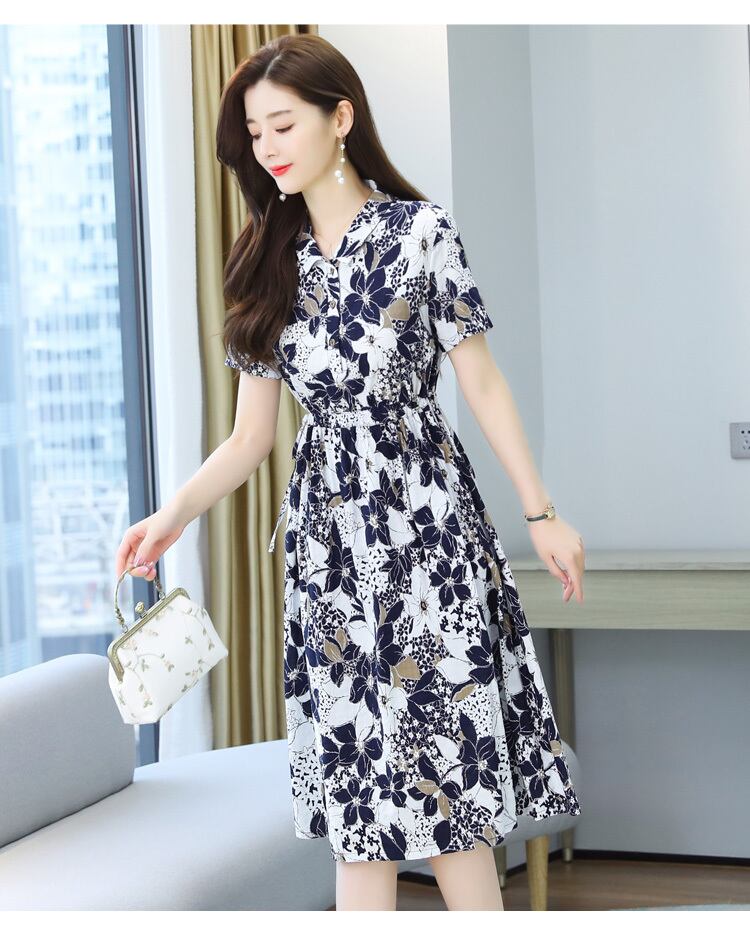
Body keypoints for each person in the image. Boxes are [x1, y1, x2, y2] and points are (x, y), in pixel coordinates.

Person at [116, 33, 585, 912]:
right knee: (358, 801)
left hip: (428, 532)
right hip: (328, 550)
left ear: (341, 118)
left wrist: (542, 512)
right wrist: (171, 515)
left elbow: (481, 382)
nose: (267, 146)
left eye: (283, 124)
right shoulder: (265, 258)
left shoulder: (420, 233)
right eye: (255, 132)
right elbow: (250, 438)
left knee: (451, 793)